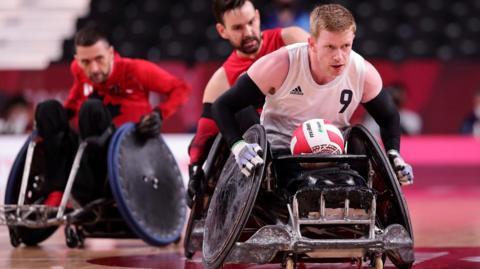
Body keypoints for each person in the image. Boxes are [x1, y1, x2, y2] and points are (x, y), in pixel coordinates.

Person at [212, 4, 414, 186]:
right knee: (305, 187)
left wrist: (394, 154)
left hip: (335, 152)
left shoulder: (363, 72)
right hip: (282, 152)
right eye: (330, 47)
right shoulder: (281, 64)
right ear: (312, 44)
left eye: (346, 46)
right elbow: (222, 105)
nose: (339, 56)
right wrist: (238, 146)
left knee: (357, 186)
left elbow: (389, 116)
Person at [34, 26, 190, 205]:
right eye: (85, 62)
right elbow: (73, 102)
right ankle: (55, 191)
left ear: (110, 53)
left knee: (91, 108)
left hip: (128, 150)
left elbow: (181, 88)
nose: (93, 69)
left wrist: (160, 114)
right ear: (77, 61)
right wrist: (48, 122)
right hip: (87, 149)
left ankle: (98, 192)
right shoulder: (78, 71)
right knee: (47, 109)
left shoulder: (135, 70)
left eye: (99, 59)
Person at [186, 0, 309, 205]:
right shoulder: (220, 80)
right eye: (237, 28)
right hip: (265, 147)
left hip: (305, 124)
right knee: (238, 109)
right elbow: (203, 137)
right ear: (222, 31)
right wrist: (195, 172)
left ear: (258, 17)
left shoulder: (291, 39)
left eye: (251, 22)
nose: (249, 32)